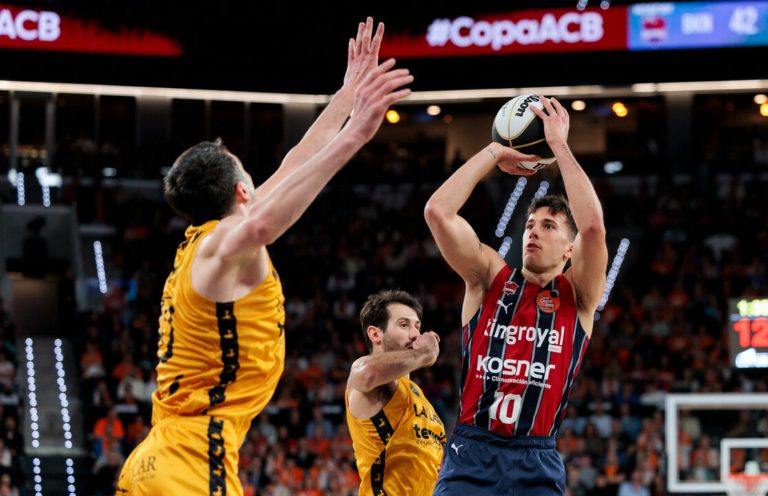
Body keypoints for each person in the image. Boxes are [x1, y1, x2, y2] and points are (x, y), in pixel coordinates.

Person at [116, 17, 413, 495]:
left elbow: (294, 162)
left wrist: (346, 94)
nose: (260, 180)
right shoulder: (224, 243)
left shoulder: (209, 241)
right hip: (191, 458)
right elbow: (260, 223)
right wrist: (356, 132)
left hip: (168, 455)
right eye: (250, 173)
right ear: (240, 189)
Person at [425, 96, 607, 495]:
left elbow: (593, 226)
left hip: (535, 459)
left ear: (568, 250)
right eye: (530, 224)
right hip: (471, 451)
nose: (533, 232)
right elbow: (437, 211)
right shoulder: (488, 276)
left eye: (548, 226)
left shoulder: (578, 293)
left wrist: (558, 146)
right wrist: (494, 151)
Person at [346, 290, 445, 495]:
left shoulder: (416, 393)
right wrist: (425, 353)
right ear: (375, 334)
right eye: (404, 325)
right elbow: (368, 373)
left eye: (417, 326)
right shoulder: (366, 376)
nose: (415, 334)